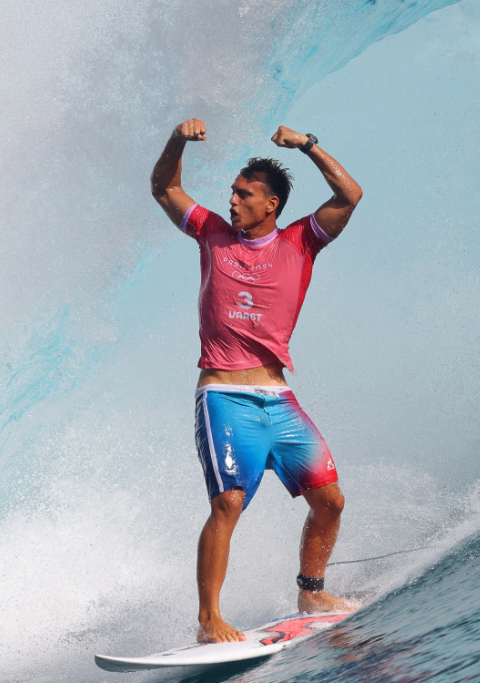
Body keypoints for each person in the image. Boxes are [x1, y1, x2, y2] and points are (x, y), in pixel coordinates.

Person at [150, 117, 364, 644]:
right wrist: (178, 139)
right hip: (223, 394)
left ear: (270, 204)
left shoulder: (300, 243)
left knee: (330, 501)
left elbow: (350, 193)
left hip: (277, 396)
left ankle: (311, 590)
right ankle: (209, 621)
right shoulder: (210, 233)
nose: (232, 201)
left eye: (244, 195)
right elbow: (165, 188)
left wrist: (308, 144)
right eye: (232, 191)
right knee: (228, 503)